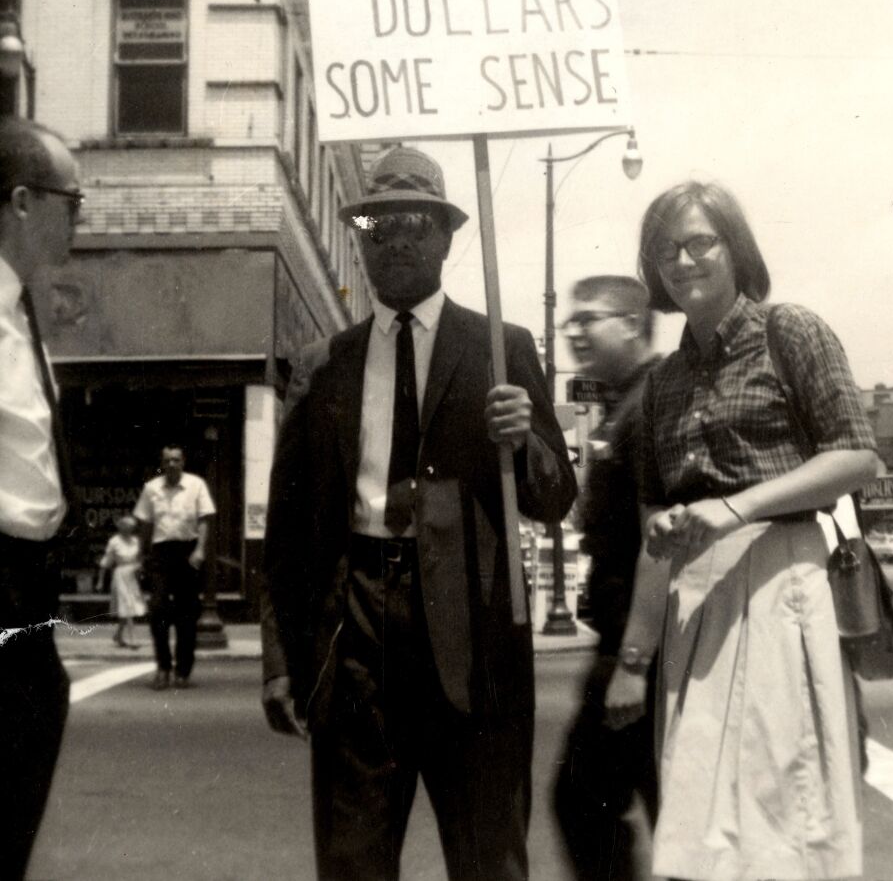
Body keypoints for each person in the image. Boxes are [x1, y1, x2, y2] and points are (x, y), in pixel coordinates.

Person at [261, 144, 576, 881]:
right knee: (353, 861)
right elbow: (287, 531)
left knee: (490, 857)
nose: (397, 239)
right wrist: (281, 661)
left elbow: (555, 498)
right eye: (379, 225)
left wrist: (522, 437)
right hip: (357, 634)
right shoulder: (323, 365)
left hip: (475, 647)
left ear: (447, 237)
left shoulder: (501, 349)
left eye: (416, 224)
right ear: (361, 241)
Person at [630, 179, 878, 881]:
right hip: (696, 605)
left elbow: (858, 455)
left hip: (782, 582)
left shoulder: (788, 331)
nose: (682, 261)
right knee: (702, 825)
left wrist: (736, 508)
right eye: (665, 249)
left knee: (782, 814)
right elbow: (654, 506)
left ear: (735, 249)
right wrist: (670, 523)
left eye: (699, 241)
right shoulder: (663, 381)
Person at [552, 275, 666, 881]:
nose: (575, 332)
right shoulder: (627, 400)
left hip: (642, 643)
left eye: (589, 318)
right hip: (631, 641)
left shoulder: (650, 403)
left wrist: (633, 663)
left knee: (587, 801)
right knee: (656, 807)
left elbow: (659, 537)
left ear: (632, 324)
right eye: (570, 320)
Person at [0, 116, 84, 880]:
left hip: (29, 586)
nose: (78, 220)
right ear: (22, 201)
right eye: (72, 202)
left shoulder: (22, 312)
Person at [133, 444, 215, 690]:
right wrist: (140, 555)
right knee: (157, 609)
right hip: (160, 553)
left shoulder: (196, 485)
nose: (171, 464)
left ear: (183, 462)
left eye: (176, 460)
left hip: (187, 552)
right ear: (162, 462)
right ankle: (163, 667)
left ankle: (183, 670)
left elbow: (204, 520)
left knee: (186, 614)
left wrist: (200, 550)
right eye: (167, 460)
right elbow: (146, 525)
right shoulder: (152, 488)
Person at [100, 514, 146, 648]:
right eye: (127, 527)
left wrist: (139, 568)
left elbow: (139, 558)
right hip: (120, 576)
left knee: (129, 607)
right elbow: (106, 562)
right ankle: (133, 639)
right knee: (127, 605)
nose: (129, 530)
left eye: (132, 528)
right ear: (121, 528)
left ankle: (118, 635)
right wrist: (100, 581)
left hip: (132, 576)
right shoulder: (114, 541)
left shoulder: (136, 541)